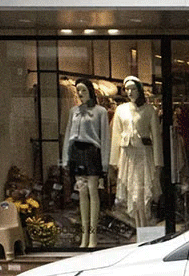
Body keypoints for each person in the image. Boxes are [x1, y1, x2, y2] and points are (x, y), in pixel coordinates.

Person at [110, 76, 163, 228]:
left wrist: (158, 163)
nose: (130, 92)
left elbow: (156, 139)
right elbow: (116, 136)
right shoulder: (120, 110)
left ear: (139, 90)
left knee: (141, 192)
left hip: (143, 155)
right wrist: (113, 162)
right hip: (127, 156)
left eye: (133, 89)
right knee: (132, 193)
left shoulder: (149, 110)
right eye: (127, 89)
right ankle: (138, 227)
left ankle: (144, 227)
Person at [61, 79, 108, 248]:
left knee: (92, 192)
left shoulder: (100, 112)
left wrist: (105, 163)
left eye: (83, 90)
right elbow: (68, 133)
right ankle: (84, 235)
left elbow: (105, 138)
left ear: (90, 91)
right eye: (78, 91)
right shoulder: (74, 111)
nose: (80, 94)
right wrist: (65, 158)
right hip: (76, 152)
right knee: (82, 192)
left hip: (92, 152)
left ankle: (93, 236)